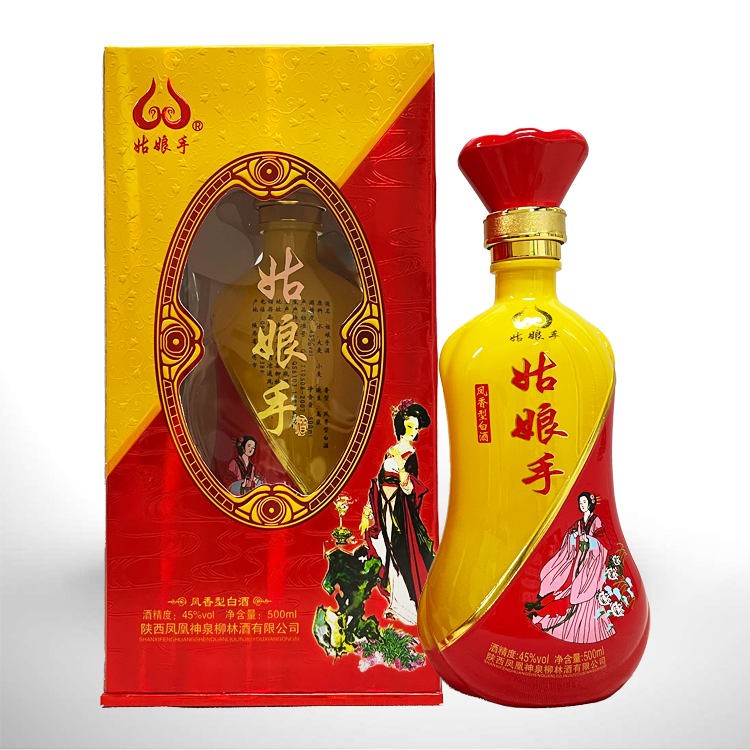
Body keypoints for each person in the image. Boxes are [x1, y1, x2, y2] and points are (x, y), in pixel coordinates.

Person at [360, 400, 435, 625]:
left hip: (401, 512)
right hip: (384, 508)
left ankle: (408, 607)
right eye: (410, 427)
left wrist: (400, 466)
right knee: (387, 551)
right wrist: (367, 512)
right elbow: (379, 482)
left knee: (400, 553)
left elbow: (410, 488)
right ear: (401, 426)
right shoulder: (389, 452)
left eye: (416, 428)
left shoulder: (411, 455)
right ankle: (394, 604)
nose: (413, 432)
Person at [525, 491, 615, 643]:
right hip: (578, 561)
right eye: (580, 503)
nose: (582, 505)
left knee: (583, 593)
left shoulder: (596, 521)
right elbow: (570, 537)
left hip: (590, 565)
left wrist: (590, 540)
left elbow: (603, 543)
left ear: (590, 503)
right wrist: (572, 537)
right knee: (566, 587)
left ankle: (581, 623)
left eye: (584, 502)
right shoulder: (579, 522)